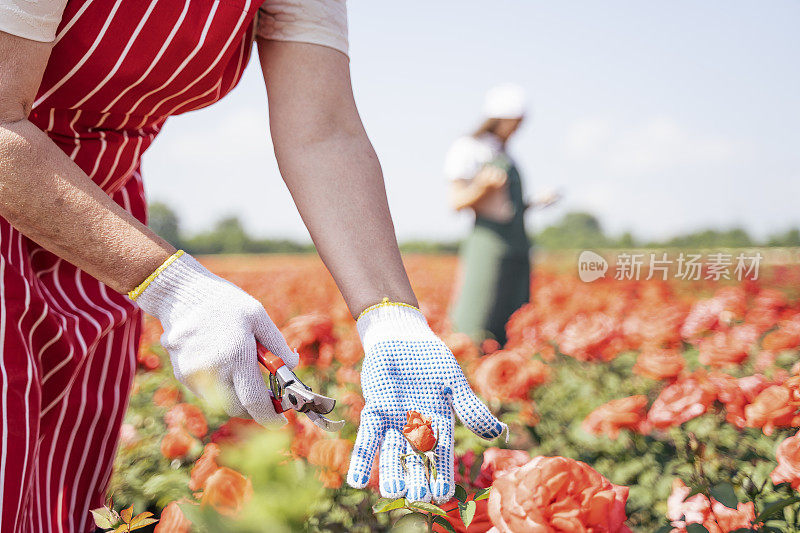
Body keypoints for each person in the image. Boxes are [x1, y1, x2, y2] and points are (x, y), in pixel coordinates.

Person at [0, 1, 505, 530]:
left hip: (99, 211)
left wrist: (390, 316)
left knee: (62, 485)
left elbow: (323, 131)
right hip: (44, 191)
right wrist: (175, 287)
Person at [445, 83, 532, 347]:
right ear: (499, 119)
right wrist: (483, 186)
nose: (518, 128)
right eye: (515, 122)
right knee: (477, 316)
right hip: (488, 243)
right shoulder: (469, 148)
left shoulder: (504, 152)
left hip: (516, 243)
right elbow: (456, 201)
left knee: (511, 316)